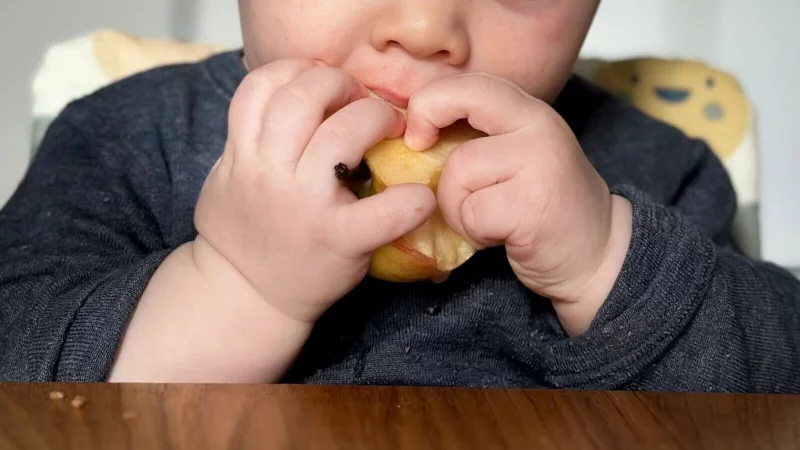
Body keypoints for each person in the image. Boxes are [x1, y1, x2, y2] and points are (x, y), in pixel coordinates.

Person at [1, 0, 798, 392]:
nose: (424, 26)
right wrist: (237, 287)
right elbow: (22, 367)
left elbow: (775, 386)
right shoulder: (131, 135)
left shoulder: (652, 169)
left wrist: (605, 265)